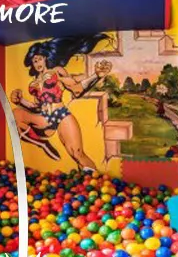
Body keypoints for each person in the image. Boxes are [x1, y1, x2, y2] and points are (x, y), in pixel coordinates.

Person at [10, 34, 112, 171]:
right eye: (34, 61)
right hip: (44, 119)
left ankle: (94, 181)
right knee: (16, 114)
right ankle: (43, 144)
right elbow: (36, 107)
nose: (38, 63)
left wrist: (96, 75)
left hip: (61, 115)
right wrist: (20, 101)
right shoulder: (33, 83)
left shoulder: (56, 72)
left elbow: (76, 89)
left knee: (77, 154)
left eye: (39, 59)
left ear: (45, 58)